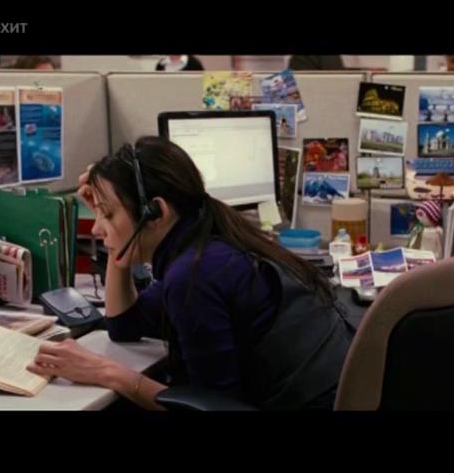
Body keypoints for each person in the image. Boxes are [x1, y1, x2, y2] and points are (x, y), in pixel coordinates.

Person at [27, 137, 355, 410]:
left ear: (155, 212)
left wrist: (108, 372)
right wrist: (116, 243)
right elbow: (124, 325)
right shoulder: (208, 243)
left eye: (108, 215)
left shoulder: (195, 275)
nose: (97, 228)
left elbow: (209, 406)